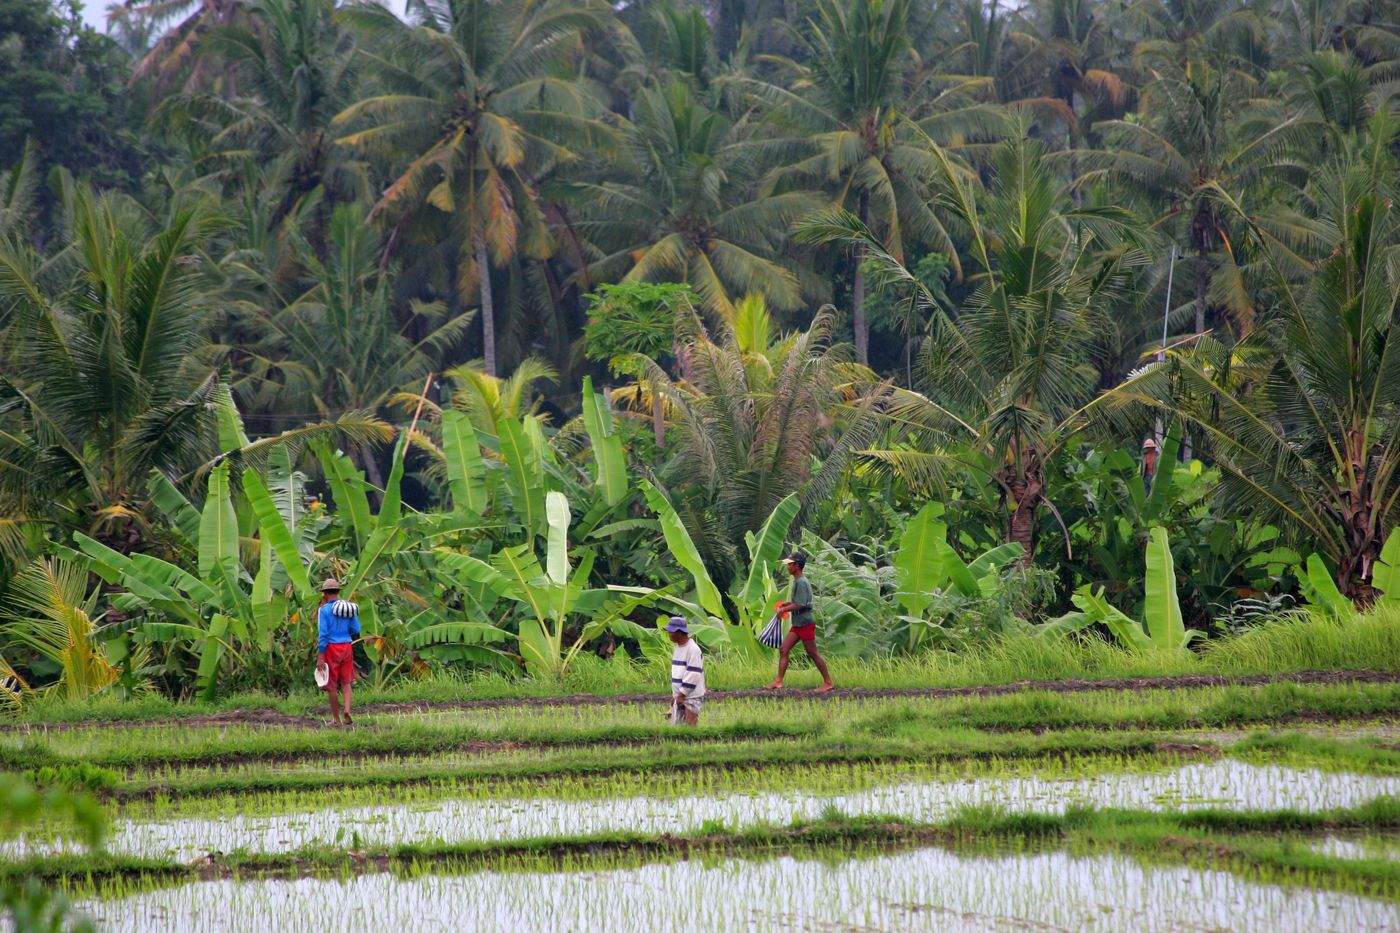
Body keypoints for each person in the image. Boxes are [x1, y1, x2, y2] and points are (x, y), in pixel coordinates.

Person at [765, 551, 834, 692]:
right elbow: (799, 601)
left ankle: (828, 682)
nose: (787, 567)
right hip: (798, 624)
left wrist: (783, 610)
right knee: (784, 649)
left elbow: (801, 605)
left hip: (805, 624)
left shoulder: (801, 582)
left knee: (813, 653)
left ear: (796, 566)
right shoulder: (798, 581)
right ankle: (778, 681)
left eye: (790, 564)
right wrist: (787, 603)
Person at [317, 578, 360, 726]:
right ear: (337, 592)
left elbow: (323, 635)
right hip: (347, 646)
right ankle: (347, 710)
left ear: (325, 594)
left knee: (332, 685)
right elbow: (356, 629)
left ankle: (336, 719)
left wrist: (320, 656)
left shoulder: (324, 611)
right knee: (346, 681)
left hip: (331, 648)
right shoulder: (348, 609)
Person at [665, 616, 704, 725]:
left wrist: (682, 695)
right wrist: (675, 696)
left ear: (680, 632)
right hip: (680, 696)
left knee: (690, 727)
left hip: (691, 696)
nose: (669, 634)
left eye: (671, 632)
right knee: (679, 729)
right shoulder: (678, 648)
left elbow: (693, 674)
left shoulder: (693, 649)